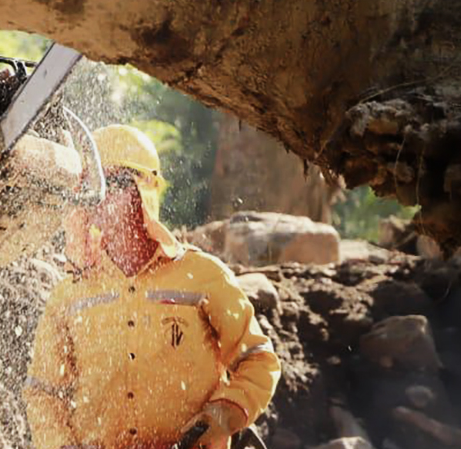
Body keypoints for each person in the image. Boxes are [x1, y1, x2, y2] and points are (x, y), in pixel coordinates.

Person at [24, 124, 281, 449]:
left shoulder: (202, 276)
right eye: (94, 187)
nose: (100, 199)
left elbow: (258, 358)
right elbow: (42, 391)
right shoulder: (70, 294)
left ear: (143, 191)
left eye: (113, 184)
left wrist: (221, 416)